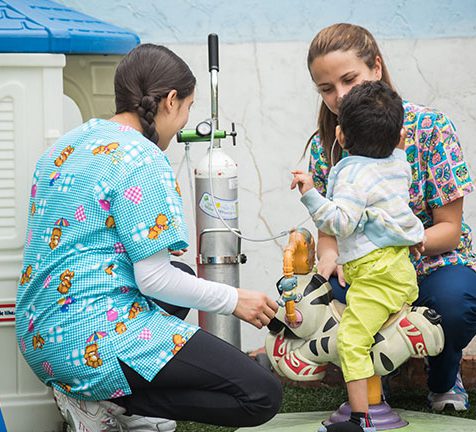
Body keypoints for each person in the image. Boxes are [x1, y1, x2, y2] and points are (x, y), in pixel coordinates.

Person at [16, 43, 282, 432]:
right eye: (188, 107)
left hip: (39, 339)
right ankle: (109, 401)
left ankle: (102, 397)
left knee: (178, 271)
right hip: (90, 343)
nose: (185, 120)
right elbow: (154, 280)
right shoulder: (142, 157)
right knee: (261, 395)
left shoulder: (64, 147)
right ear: (171, 101)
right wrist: (234, 300)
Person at [303, 22, 476, 416]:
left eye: (349, 79)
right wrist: (328, 258)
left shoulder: (430, 129)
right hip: (363, 270)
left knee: (457, 303)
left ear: (376, 67)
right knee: (324, 305)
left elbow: (449, 230)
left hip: (431, 263)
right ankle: (372, 384)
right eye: (326, 88)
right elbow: (330, 227)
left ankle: (443, 377)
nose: (340, 95)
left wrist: (397, 244)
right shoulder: (326, 144)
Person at [291, 80, 425, 432]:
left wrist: (310, 193)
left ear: (341, 135)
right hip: (395, 270)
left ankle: (360, 419)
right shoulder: (398, 163)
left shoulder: (353, 174)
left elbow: (340, 222)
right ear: (399, 136)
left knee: (350, 340)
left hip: (376, 279)